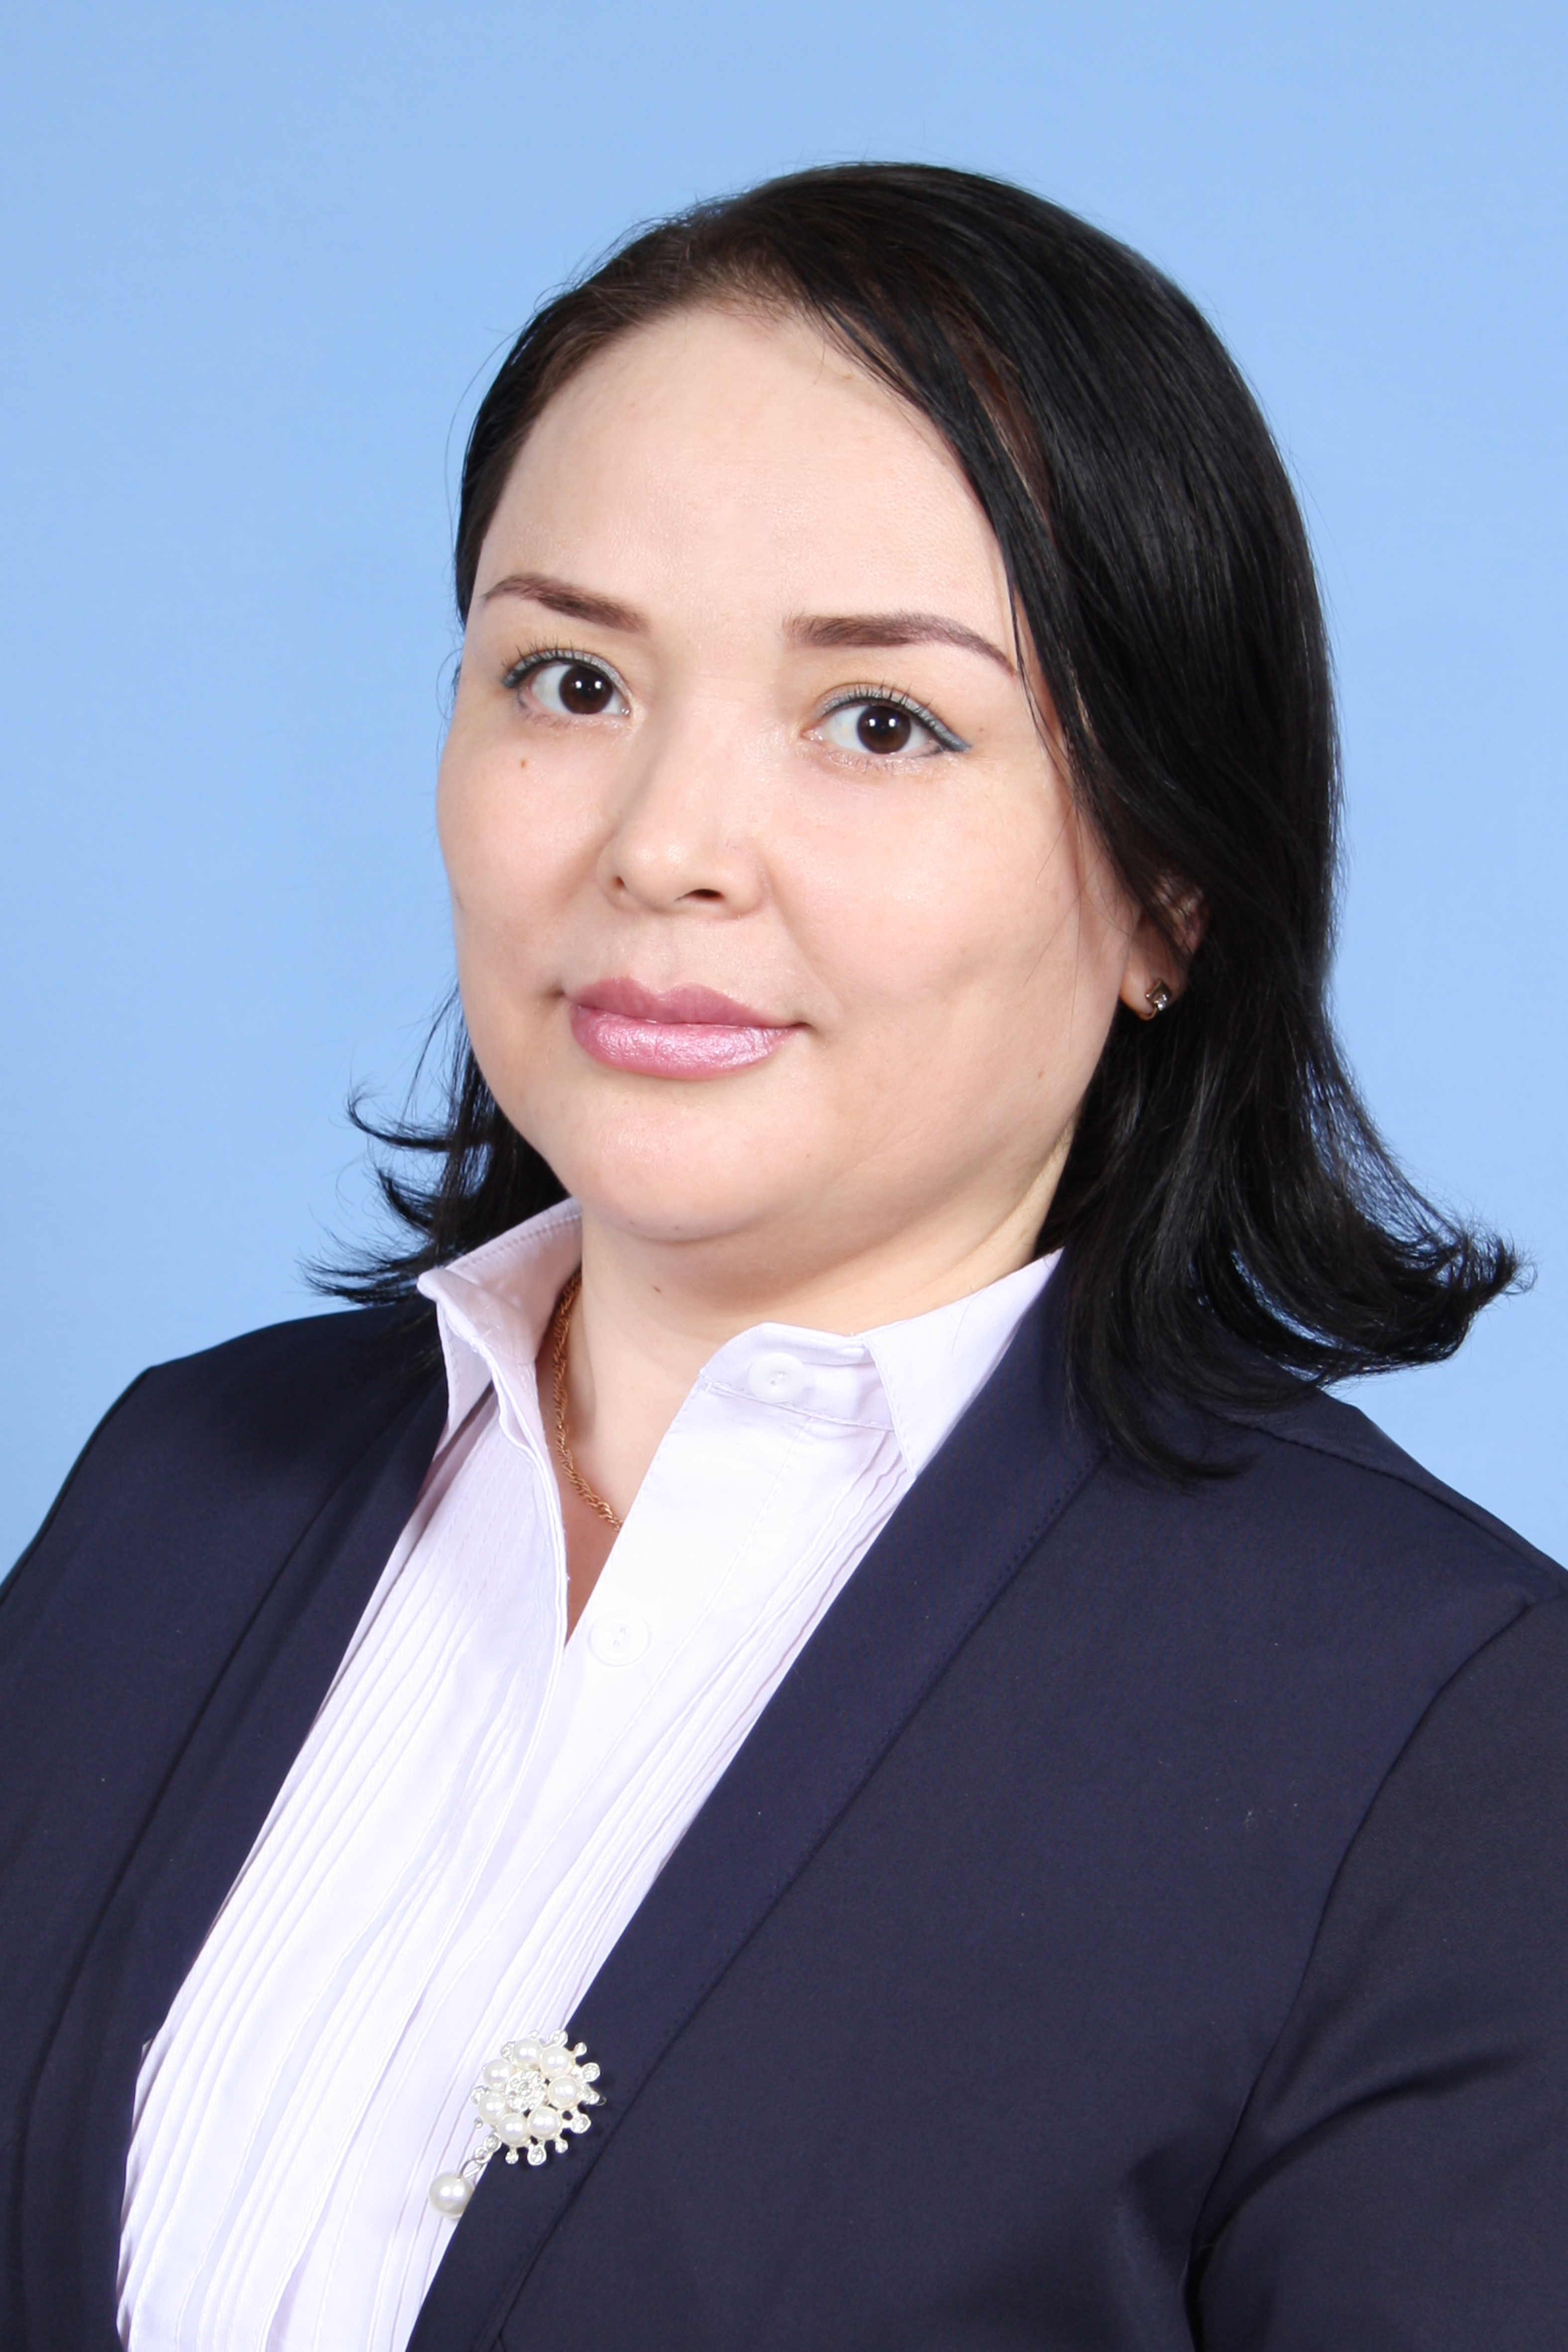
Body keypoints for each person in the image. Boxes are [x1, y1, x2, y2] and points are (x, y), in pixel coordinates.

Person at [2, 162, 1564, 2352]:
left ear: (1169, 890)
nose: (662, 846)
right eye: (569, 678)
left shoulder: (1445, 1731)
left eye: (879, 721)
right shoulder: (181, 1489)